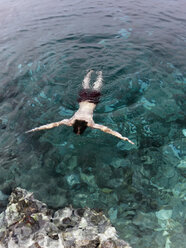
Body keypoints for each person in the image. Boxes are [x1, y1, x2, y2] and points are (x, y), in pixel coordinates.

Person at [26, 70, 134, 145]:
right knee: (86, 86)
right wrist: (36, 129)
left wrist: (124, 138)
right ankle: (91, 72)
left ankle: (98, 74)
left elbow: (108, 130)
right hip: (82, 100)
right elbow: (52, 125)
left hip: (92, 101)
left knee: (97, 86)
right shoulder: (70, 121)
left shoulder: (88, 123)